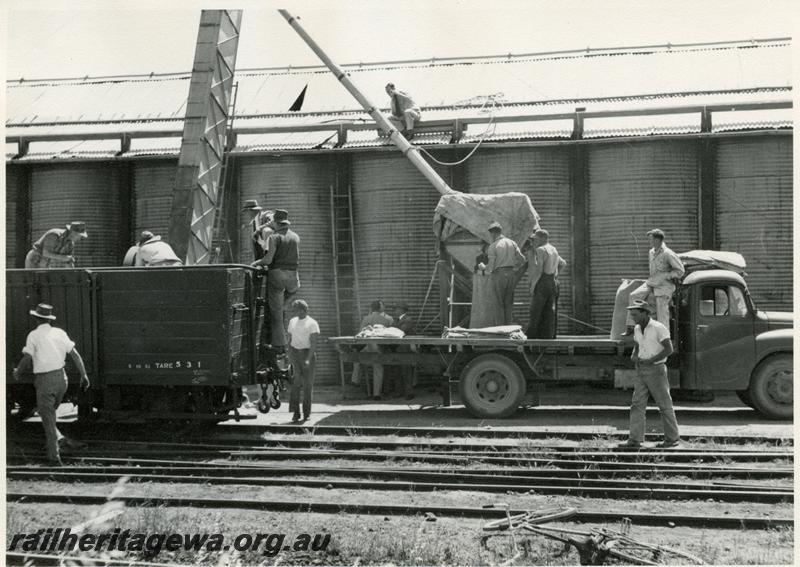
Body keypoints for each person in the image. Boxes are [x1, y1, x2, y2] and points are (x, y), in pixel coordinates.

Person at [12, 304, 90, 465]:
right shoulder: (60, 333)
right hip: (62, 380)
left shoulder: (33, 335)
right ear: (49, 319)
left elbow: (27, 358)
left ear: (36, 319)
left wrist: (18, 372)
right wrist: (84, 375)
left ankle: (54, 458)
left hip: (45, 380)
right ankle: (61, 439)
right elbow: (74, 354)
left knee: (47, 418)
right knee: (48, 415)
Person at [618, 300, 680, 449]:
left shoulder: (659, 328)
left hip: (656, 370)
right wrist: (635, 354)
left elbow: (668, 349)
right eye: (632, 315)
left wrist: (651, 360)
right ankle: (635, 440)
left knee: (664, 405)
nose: (633, 318)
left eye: (635, 314)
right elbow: (638, 345)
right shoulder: (638, 329)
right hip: (641, 369)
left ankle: (672, 439)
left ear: (645, 313)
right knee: (637, 405)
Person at [251, 209, 300, 351]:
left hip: (278, 276)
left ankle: (279, 344)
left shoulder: (274, 237)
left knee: (276, 313)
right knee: (290, 294)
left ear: (276, 224)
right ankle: (284, 305)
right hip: (293, 278)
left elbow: (268, 259)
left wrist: (255, 264)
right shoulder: (295, 237)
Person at [626, 229, 685, 329]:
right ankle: (631, 327)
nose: (649, 241)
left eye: (651, 239)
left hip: (664, 286)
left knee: (662, 314)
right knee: (634, 296)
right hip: (651, 282)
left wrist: (667, 276)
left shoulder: (668, 253)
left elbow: (680, 271)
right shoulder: (651, 252)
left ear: (658, 240)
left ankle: (664, 337)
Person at [478, 221, 525, 326]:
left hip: (499, 275)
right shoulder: (512, 243)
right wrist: (513, 266)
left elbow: (491, 267)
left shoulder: (493, 246)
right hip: (511, 274)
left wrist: (482, 267)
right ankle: (508, 328)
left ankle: (500, 330)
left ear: (493, 233)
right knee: (508, 303)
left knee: (498, 303)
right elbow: (522, 259)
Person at [525, 229, 567, 339]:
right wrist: (555, 275)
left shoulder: (541, 249)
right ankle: (549, 336)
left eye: (536, 239)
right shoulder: (553, 249)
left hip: (542, 281)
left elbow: (539, 270)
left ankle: (531, 336)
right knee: (549, 312)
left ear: (543, 238)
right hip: (552, 281)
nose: (534, 241)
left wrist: (533, 286)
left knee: (536, 310)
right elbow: (563, 263)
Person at [350, 300, 394, 400]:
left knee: (357, 358)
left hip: (367, 347)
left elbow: (360, 333)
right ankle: (376, 394)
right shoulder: (388, 319)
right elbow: (392, 334)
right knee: (378, 367)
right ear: (380, 308)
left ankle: (355, 379)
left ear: (371, 308)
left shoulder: (366, 319)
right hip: (379, 349)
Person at [286, 299, 320, 424]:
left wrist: (308, 359)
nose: (295, 312)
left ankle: (306, 413)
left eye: (297, 310)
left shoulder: (312, 323)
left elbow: (314, 343)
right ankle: (295, 413)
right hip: (295, 354)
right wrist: (289, 354)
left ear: (303, 310)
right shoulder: (292, 322)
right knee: (295, 385)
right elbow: (289, 339)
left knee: (307, 386)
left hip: (307, 354)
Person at [391, 301, 417, 400]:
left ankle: (409, 393)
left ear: (401, 310)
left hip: (405, 349)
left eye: (396, 309)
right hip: (398, 349)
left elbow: (401, 331)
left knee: (406, 372)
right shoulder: (396, 320)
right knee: (398, 371)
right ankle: (399, 391)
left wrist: (391, 330)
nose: (395, 311)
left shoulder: (408, 320)